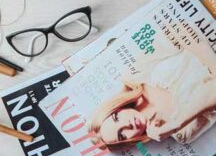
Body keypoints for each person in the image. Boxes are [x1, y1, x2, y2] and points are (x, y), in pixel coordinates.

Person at [88, 42, 216, 147]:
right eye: (122, 135)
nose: (127, 124)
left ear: (116, 108)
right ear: (130, 142)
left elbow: (179, 30)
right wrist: (176, 124)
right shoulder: (181, 133)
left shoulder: (134, 75)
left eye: (116, 117)